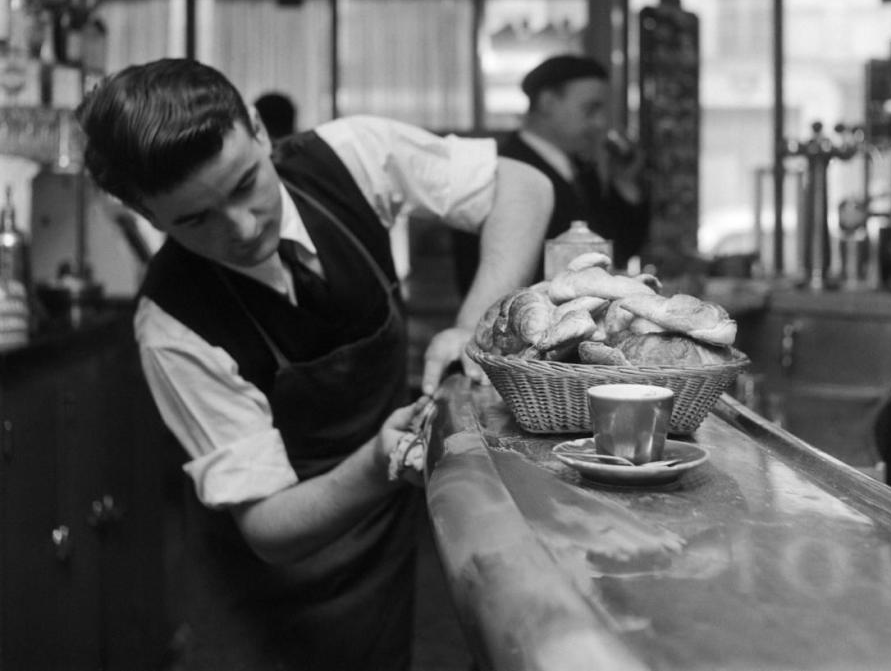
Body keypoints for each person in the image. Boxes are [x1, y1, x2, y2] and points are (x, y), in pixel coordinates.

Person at [75, 58, 552, 671]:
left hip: (380, 545)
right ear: (147, 217)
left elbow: (523, 186)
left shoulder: (347, 158)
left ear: (257, 130)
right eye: (196, 219)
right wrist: (381, 461)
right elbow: (269, 526)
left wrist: (475, 323)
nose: (243, 227)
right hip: (264, 594)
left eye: (245, 182)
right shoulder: (172, 326)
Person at [453, 54, 649, 292]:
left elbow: (615, 251)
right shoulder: (502, 168)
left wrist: (624, 183)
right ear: (547, 103)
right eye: (590, 109)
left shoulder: (582, 169)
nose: (599, 123)